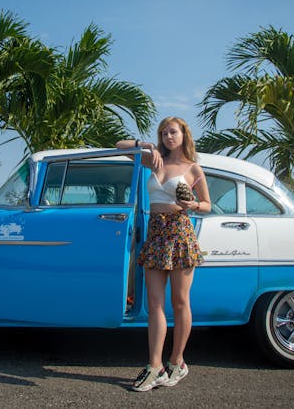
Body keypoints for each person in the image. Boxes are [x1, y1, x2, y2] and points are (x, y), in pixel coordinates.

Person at [116, 116, 211, 392]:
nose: (169, 137)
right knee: (154, 303)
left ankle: (177, 361)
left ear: (183, 135)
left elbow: (207, 204)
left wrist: (192, 203)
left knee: (180, 301)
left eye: (173, 132)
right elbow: (120, 146)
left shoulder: (193, 168)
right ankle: (154, 365)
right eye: (164, 133)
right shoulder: (153, 160)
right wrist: (145, 145)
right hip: (156, 234)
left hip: (180, 232)